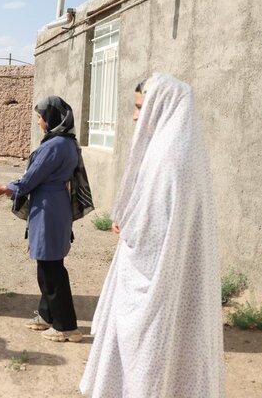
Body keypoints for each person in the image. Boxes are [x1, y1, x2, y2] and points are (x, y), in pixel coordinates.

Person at [79, 73, 224, 397]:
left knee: (147, 362)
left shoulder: (166, 158)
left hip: (155, 281)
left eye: (140, 107)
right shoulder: (186, 151)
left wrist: (129, 228)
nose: (134, 116)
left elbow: (151, 233)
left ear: (161, 106)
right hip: (180, 279)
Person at [0, 96, 82, 343]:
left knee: (51, 269)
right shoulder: (68, 143)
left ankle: (66, 326)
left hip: (48, 208)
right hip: (55, 205)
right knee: (48, 263)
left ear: (50, 119)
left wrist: (5, 187)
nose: (39, 122)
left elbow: (31, 178)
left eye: (40, 118)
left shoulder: (54, 146)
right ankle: (46, 315)